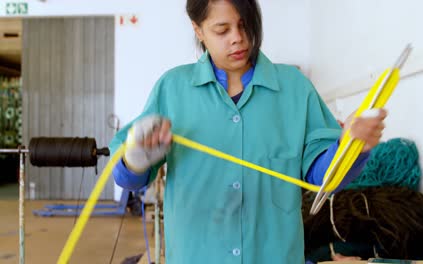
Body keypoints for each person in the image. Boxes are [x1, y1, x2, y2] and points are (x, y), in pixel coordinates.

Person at [109, 0, 386, 263]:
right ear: (198, 29)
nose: (238, 38)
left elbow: (323, 179)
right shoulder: (172, 89)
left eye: (245, 25)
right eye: (222, 30)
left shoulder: (295, 88)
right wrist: (135, 158)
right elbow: (127, 176)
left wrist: (351, 147)